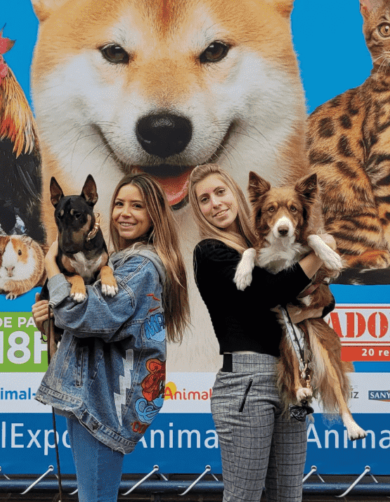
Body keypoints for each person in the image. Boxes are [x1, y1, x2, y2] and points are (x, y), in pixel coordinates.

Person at [31, 173, 190, 502]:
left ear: (154, 215)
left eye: (137, 206)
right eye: (119, 203)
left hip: (101, 402)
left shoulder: (138, 267)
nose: (125, 212)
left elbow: (84, 316)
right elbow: (73, 323)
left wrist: (51, 265)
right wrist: (48, 320)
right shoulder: (117, 262)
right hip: (91, 397)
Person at [188, 163, 335, 502]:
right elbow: (271, 291)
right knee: (245, 497)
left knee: (287, 496)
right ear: (199, 210)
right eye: (204, 199)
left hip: (291, 376)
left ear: (237, 195)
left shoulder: (266, 244)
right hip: (246, 382)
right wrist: (317, 249)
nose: (216, 203)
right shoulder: (210, 253)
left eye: (220, 192)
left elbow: (324, 296)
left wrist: (316, 305)